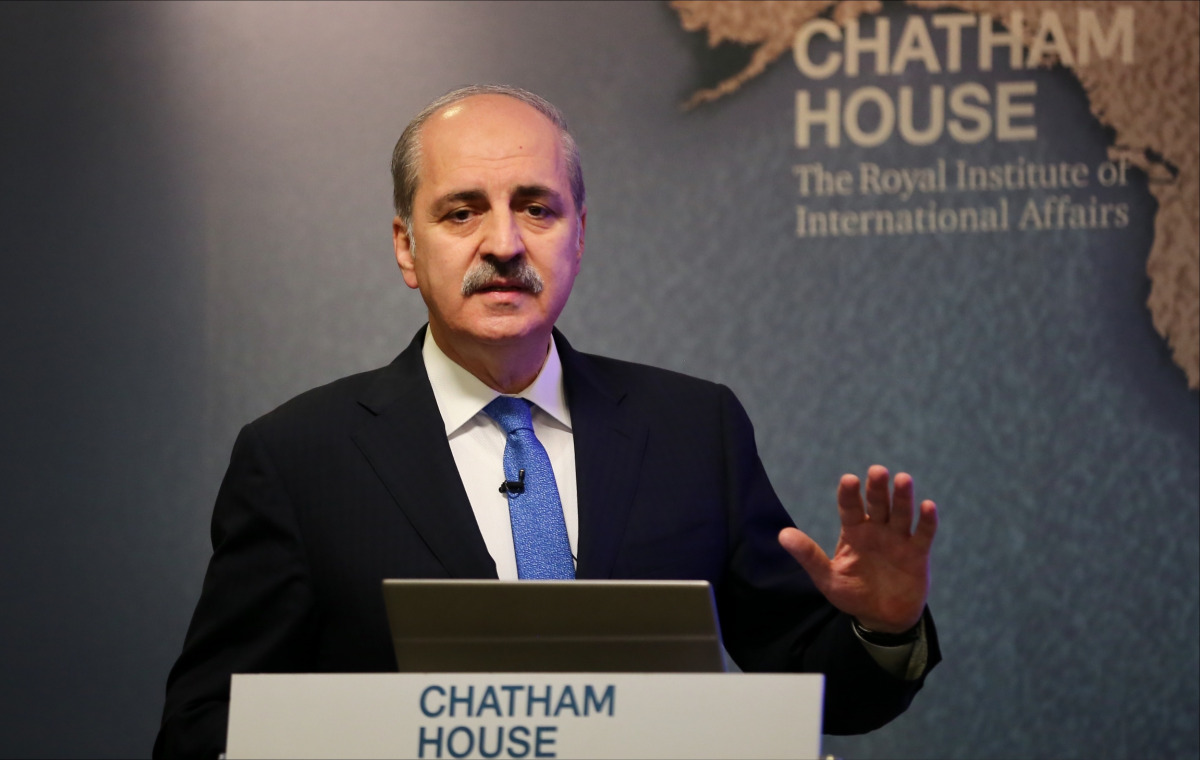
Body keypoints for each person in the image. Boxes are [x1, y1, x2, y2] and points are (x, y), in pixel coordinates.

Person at [154, 85, 940, 759]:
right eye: (462, 212)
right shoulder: (298, 458)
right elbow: (205, 726)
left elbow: (816, 688)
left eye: (536, 209)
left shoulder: (694, 430)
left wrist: (884, 627)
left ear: (580, 235)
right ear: (406, 248)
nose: (504, 244)